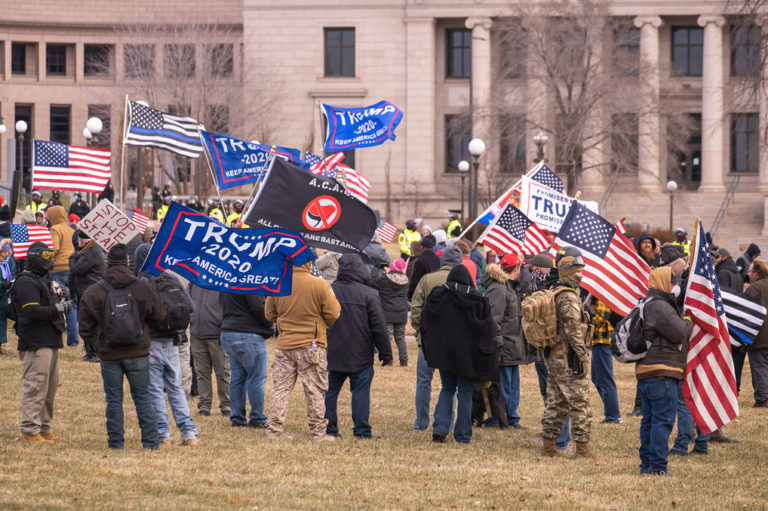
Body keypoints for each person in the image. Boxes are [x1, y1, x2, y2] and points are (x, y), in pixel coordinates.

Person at [78, 243, 165, 449]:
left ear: (107, 264)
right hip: (138, 352)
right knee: (143, 397)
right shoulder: (143, 288)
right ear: (128, 263)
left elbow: (84, 327)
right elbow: (160, 315)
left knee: (114, 400)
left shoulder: (94, 291)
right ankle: (151, 442)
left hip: (109, 354)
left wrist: (98, 344)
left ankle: (116, 443)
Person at [264, 261, 341, 441]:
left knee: (280, 389)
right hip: (312, 345)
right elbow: (334, 312)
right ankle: (318, 433)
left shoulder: (279, 283)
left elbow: (269, 314)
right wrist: (321, 323)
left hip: (285, 345)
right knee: (315, 389)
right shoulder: (320, 284)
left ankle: (274, 430)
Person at [421, 264, 496, 444]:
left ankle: (440, 427)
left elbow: (426, 319)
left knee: (447, 388)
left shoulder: (438, 296)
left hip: (445, 352)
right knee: (464, 391)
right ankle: (462, 434)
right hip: (468, 355)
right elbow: (488, 330)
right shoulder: (478, 300)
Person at [134, 244, 199, 447]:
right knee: (176, 388)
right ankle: (189, 434)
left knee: (154, 390)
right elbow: (191, 307)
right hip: (172, 341)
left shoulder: (142, 284)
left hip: (152, 342)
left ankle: (163, 435)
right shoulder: (172, 279)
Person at [325, 254, 392, 438]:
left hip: (333, 352)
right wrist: (386, 353)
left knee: (329, 393)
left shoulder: (328, 290)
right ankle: (362, 431)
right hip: (360, 352)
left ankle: (328, 428)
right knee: (360, 393)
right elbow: (379, 326)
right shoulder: (369, 294)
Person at [12, 242, 70, 443]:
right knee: (36, 386)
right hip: (35, 342)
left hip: (50, 339)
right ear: (36, 258)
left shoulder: (42, 280)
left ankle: (44, 429)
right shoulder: (25, 282)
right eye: (46, 257)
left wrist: (60, 295)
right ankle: (29, 431)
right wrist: (59, 308)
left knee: (49, 388)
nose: (50, 260)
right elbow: (32, 311)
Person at [636, 267, 692, 476]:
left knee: (650, 420)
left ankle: (647, 465)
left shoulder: (646, 303)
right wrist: (687, 322)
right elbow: (678, 333)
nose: (675, 286)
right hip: (663, 371)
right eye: (672, 282)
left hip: (647, 370)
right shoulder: (660, 306)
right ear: (663, 283)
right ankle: (658, 466)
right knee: (662, 421)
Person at [541, 246, 594, 459]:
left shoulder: (555, 291)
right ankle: (582, 450)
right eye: (578, 271)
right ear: (568, 271)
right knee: (580, 402)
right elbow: (573, 330)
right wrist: (582, 356)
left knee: (556, 401)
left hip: (555, 355)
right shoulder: (569, 297)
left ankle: (548, 447)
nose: (581, 275)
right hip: (568, 357)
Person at [409, 245, 463, 430]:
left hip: (429, 339)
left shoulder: (427, 279)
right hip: (454, 341)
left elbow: (415, 308)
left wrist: (420, 331)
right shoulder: (465, 281)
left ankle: (421, 422)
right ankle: (447, 423)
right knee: (451, 386)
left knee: (424, 381)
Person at [481, 254, 527, 428]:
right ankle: (501, 418)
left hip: (513, 344)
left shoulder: (510, 287)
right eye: (519, 267)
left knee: (513, 386)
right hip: (505, 345)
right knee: (504, 386)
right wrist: (499, 344)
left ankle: (512, 418)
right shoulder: (499, 289)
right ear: (515, 268)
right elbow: (494, 319)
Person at [220, 290, 273, 428]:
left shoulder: (229, 278)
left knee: (238, 377)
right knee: (256, 377)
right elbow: (259, 307)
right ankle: (257, 418)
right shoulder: (250, 280)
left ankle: (237, 418)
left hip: (228, 331)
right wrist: (270, 325)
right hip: (247, 333)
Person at [189, 283, 230, 418]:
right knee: (201, 372)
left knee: (222, 372)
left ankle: (226, 405)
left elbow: (229, 307)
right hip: (197, 334)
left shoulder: (222, 281)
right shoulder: (194, 281)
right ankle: (204, 406)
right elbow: (187, 302)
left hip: (217, 335)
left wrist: (223, 327)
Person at [68, 231, 105, 362]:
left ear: (81, 240)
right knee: (87, 320)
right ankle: (90, 350)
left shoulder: (91, 252)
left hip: (89, 291)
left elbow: (77, 269)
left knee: (89, 321)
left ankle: (93, 352)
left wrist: (72, 258)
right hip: (88, 289)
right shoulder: (89, 250)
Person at [47, 205, 78, 348]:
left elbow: (54, 248)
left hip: (57, 270)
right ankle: (73, 341)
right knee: (71, 304)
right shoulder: (71, 229)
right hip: (70, 270)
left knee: (56, 304)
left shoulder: (55, 229)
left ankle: (53, 337)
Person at [370, 258, 410, 366]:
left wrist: (375, 268)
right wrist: (389, 273)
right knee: (400, 337)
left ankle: (389, 360)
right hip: (401, 312)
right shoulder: (406, 280)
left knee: (388, 337)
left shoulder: (385, 280)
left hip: (387, 312)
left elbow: (371, 282)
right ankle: (404, 360)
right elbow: (396, 279)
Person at [590, 298, 622, 424]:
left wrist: (586, 317)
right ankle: (611, 410)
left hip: (603, 341)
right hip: (597, 341)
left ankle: (613, 416)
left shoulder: (602, 296)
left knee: (605, 379)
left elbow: (601, 317)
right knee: (596, 378)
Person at [745, 259, 768, 408]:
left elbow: (746, 312)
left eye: (750, 271)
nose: (747, 273)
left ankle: (763, 398)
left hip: (759, 335)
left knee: (759, 367)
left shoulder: (754, 288)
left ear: (756, 273)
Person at [407, 235, 440, 300]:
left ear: (422, 248)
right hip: (435, 291)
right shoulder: (437, 259)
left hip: (423, 293)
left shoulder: (420, 261)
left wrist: (410, 296)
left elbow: (415, 279)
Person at [0, 239, 16, 354]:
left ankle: (1, 342)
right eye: (3, 252)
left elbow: (14, 272)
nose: (5, 254)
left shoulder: (9, 261)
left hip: (4, 296)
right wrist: (2, 284)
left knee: (2, 318)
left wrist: (12, 283)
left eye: (7, 252)